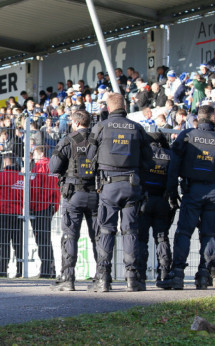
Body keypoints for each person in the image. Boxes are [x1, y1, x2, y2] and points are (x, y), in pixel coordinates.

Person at [158, 105, 215, 290]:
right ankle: (205, 274)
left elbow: (174, 166)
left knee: (184, 233)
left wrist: (171, 191)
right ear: (213, 118)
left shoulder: (187, 136)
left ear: (198, 118)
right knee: (209, 234)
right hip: (214, 193)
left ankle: (178, 274)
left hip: (193, 191)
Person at [87, 93, 152, 292]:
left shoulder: (100, 127)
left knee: (106, 230)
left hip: (109, 186)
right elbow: (149, 158)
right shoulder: (137, 128)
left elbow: (90, 157)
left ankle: (103, 279)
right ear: (124, 106)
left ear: (108, 107)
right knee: (130, 231)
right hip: (132, 185)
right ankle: (132, 278)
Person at [49, 110, 98, 291]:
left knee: (70, 236)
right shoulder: (97, 140)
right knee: (98, 237)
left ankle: (68, 279)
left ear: (76, 123)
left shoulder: (68, 140)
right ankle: (102, 278)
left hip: (73, 195)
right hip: (95, 194)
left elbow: (53, 167)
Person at [137, 132, 173, 286]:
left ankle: (140, 276)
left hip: (144, 201)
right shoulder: (170, 155)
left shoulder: (142, 153)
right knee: (162, 238)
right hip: (163, 201)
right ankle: (164, 274)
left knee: (141, 239)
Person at [0, 155, 24, 278]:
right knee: (18, 244)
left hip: (4, 215)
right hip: (18, 215)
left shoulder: (2, 176)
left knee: (4, 244)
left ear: (5, 163)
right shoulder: (22, 177)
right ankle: (21, 271)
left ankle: (3, 269)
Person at [30, 145, 60, 279]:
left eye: (34, 153)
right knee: (46, 239)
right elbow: (57, 189)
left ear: (39, 152)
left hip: (39, 207)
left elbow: (34, 189)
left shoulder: (39, 167)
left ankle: (47, 270)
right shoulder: (53, 166)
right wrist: (54, 206)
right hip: (49, 206)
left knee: (41, 239)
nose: (33, 156)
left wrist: (30, 207)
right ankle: (50, 269)